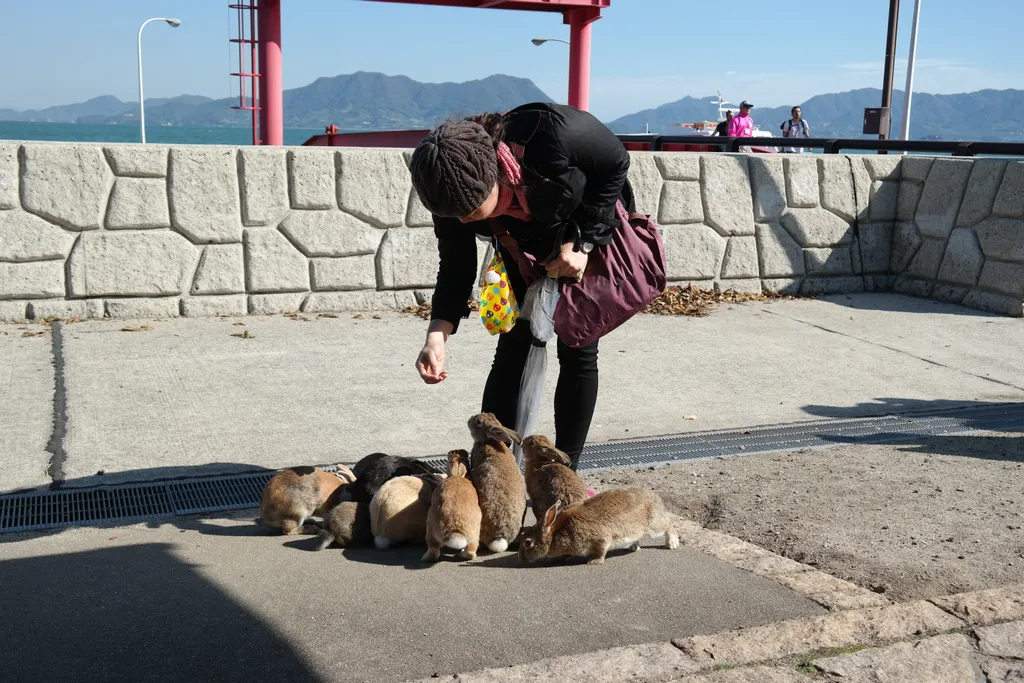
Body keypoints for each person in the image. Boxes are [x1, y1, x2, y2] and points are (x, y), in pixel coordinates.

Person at [408, 103, 637, 470]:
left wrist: (585, 244)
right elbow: (456, 265)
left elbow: (614, 163)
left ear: (496, 175)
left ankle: (565, 476)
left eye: (470, 210)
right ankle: (495, 472)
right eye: (456, 215)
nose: (464, 220)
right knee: (513, 345)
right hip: (520, 240)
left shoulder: (551, 134)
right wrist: (437, 334)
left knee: (577, 347)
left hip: (581, 224)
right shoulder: (447, 185)